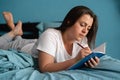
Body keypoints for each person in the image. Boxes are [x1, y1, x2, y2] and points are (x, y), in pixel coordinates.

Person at [33, 5, 100, 72]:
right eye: (82, 25)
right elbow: (45, 68)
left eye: (88, 28)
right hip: (28, 46)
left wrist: (89, 62)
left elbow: (82, 60)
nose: (85, 31)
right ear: (69, 21)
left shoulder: (83, 40)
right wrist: (75, 60)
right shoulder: (49, 35)